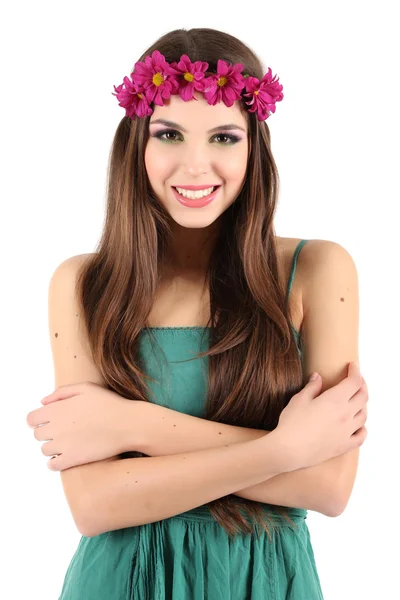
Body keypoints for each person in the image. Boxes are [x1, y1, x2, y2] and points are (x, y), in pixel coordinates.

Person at [27, 27, 368, 599]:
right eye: (169, 134)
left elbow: (328, 485)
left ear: (255, 147)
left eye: (225, 138)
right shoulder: (83, 283)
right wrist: (280, 451)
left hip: (266, 580)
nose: (195, 166)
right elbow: (94, 505)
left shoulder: (317, 270)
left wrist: (134, 427)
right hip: (122, 581)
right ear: (136, 143)